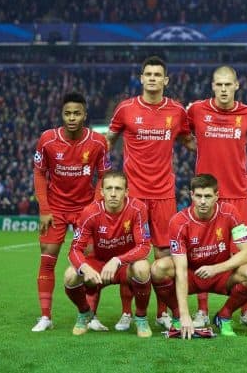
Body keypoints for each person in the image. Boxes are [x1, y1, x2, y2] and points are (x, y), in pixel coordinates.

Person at [106, 56, 192, 331]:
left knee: (163, 255)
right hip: (133, 195)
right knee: (131, 253)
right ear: (141, 78)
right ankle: (127, 313)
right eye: (148, 74)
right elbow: (108, 141)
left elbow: (190, 141)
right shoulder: (126, 109)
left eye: (158, 74)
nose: (153, 78)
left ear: (166, 80)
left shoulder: (177, 111)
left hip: (164, 193)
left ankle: (162, 312)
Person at [186, 66, 247, 328]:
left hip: (238, 195)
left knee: (243, 254)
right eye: (219, 84)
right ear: (212, 85)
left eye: (228, 85)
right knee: (203, 253)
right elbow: (179, 131)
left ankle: (244, 311)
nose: (223, 89)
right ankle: (202, 311)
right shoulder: (196, 110)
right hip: (207, 195)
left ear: (236, 86)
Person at [32, 92, 110, 332]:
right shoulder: (47, 140)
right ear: (62, 115)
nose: (72, 118)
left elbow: (104, 177)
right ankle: (45, 317)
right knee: (48, 258)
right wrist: (44, 209)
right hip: (55, 208)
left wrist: (94, 207)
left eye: (77, 113)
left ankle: (91, 315)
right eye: (68, 113)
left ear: (85, 115)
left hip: (84, 209)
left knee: (89, 261)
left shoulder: (98, 142)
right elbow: (39, 174)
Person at [150, 174, 247, 338]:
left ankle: (224, 316)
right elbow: (180, 270)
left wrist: (216, 268)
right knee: (158, 268)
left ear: (217, 196)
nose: (203, 201)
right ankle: (177, 316)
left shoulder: (230, 213)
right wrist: (185, 313)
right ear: (191, 195)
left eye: (208, 196)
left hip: (220, 274)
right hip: (191, 275)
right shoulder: (178, 222)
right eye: (199, 196)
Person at [63, 171, 153, 337]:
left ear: (126, 192)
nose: (113, 193)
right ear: (101, 192)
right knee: (70, 275)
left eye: (118, 189)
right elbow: (75, 249)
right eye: (109, 188)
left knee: (142, 267)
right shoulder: (90, 212)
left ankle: (141, 317)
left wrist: (118, 260)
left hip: (125, 265)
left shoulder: (138, 208)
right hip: (98, 264)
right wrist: (84, 267)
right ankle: (84, 313)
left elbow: (144, 247)